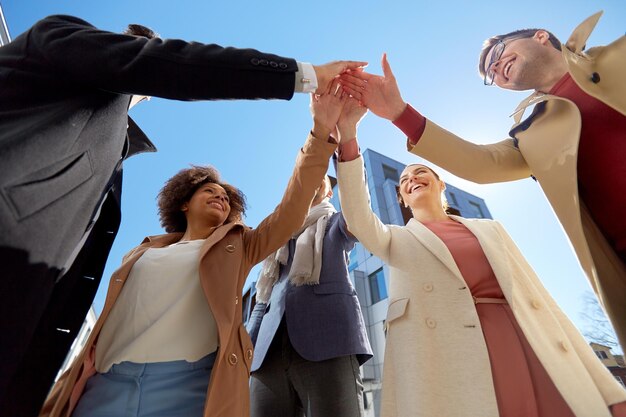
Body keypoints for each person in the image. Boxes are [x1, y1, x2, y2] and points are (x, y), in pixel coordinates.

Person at [0, 13, 366, 413]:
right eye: (209, 191)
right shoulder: (138, 252)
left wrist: (320, 133)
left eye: (227, 198)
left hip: (186, 390)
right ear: (182, 203)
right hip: (103, 387)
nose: (221, 199)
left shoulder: (240, 247)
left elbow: (294, 206)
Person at [339, 11, 626, 349]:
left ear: (540, 36)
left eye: (497, 54)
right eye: (491, 73)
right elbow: (480, 163)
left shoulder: (617, 57)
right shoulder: (533, 136)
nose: (494, 68)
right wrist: (400, 113)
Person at [334, 97, 626, 417]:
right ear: (402, 198)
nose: (411, 179)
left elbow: (543, 304)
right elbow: (359, 219)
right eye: (404, 182)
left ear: (441, 182)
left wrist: (610, 391)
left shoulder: (491, 230)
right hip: (453, 356)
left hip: (527, 341)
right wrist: (348, 135)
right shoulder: (397, 239)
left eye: (419, 172)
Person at [246, 171, 372, 417]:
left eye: (320, 182)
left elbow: (357, 209)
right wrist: (245, 351)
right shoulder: (275, 243)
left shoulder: (336, 225)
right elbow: (262, 302)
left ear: (328, 193)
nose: (312, 184)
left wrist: (347, 153)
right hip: (267, 356)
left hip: (329, 343)